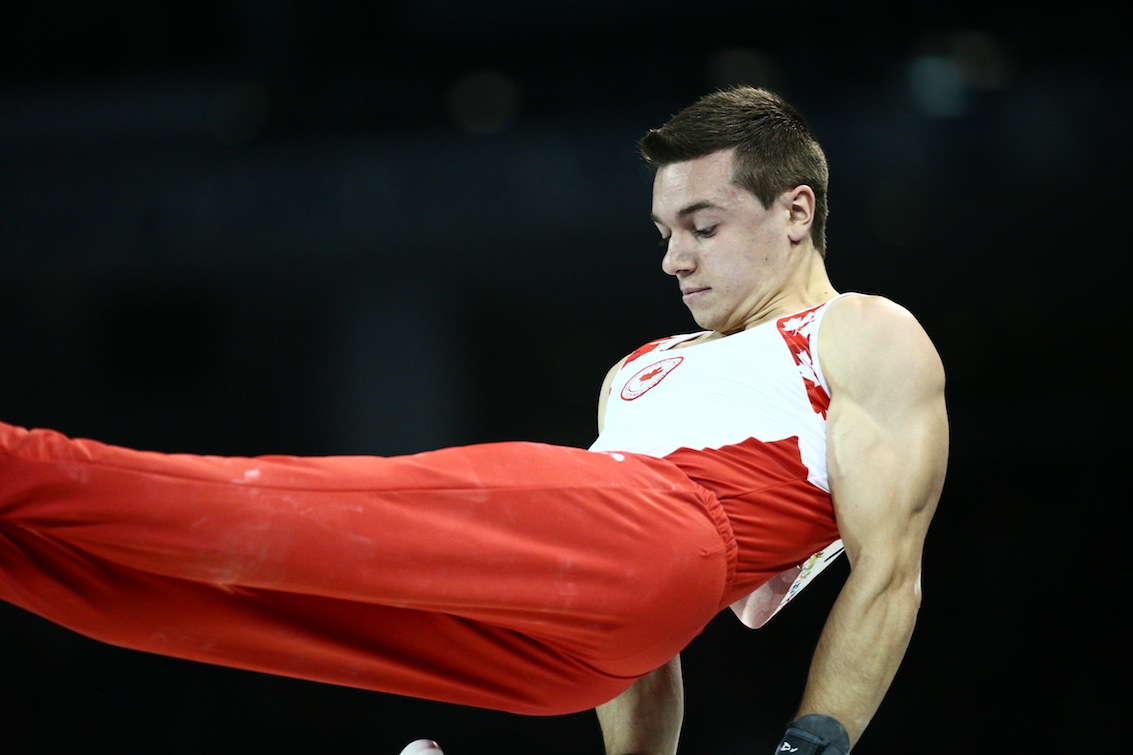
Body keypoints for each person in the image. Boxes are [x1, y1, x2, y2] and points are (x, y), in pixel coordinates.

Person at [0, 86, 947, 754]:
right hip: (599, 635)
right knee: (247, 603)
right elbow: (630, 610)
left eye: (701, 226)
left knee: (281, 506)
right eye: (663, 233)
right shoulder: (638, 372)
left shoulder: (859, 330)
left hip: (672, 529)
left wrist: (810, 742)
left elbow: (889, 571)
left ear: (796, 210)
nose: (672, 261)